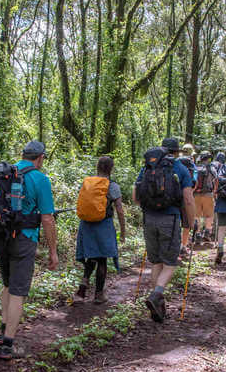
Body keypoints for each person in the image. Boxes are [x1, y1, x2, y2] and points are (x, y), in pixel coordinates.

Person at [0, 141, 59, 360]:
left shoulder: (0, 173)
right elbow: (47, 218)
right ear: (41, 158)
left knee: (8, 285)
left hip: (0, 237)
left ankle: (2, 332)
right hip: (25, 239)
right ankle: (8, 345)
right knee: (18, 290)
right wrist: (53, 251)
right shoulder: (40, 179)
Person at [133, 137, 196, 323]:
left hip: (148, 217)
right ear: (177, 152)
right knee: (170, 263)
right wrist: (191, 222)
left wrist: (148, 207)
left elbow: (136, 195)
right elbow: (188, 199)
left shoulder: (148, 166)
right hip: (170, 218)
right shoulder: (180, 169)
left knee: (156, 262)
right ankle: (156, 295)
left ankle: (158, 307)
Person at [73, 156, 127, 304]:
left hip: (86, 224)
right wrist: (123, 231)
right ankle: (98, 294)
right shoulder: (112, 186)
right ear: (111, 169)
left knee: (91, 256)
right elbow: (120, 211)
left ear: (97, 167)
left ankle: (82, 290)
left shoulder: (87, 183)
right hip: (104, 224)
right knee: (102, 258)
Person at [193, 151, 217, 242]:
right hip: (208, 194)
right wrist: (215, 192)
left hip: (196, 195)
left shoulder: (196, 167)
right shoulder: (211, 168)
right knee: (209, 215)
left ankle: (198, 234)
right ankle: (207, 232)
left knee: (197, 215)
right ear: (209, 158)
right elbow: (216, 179)